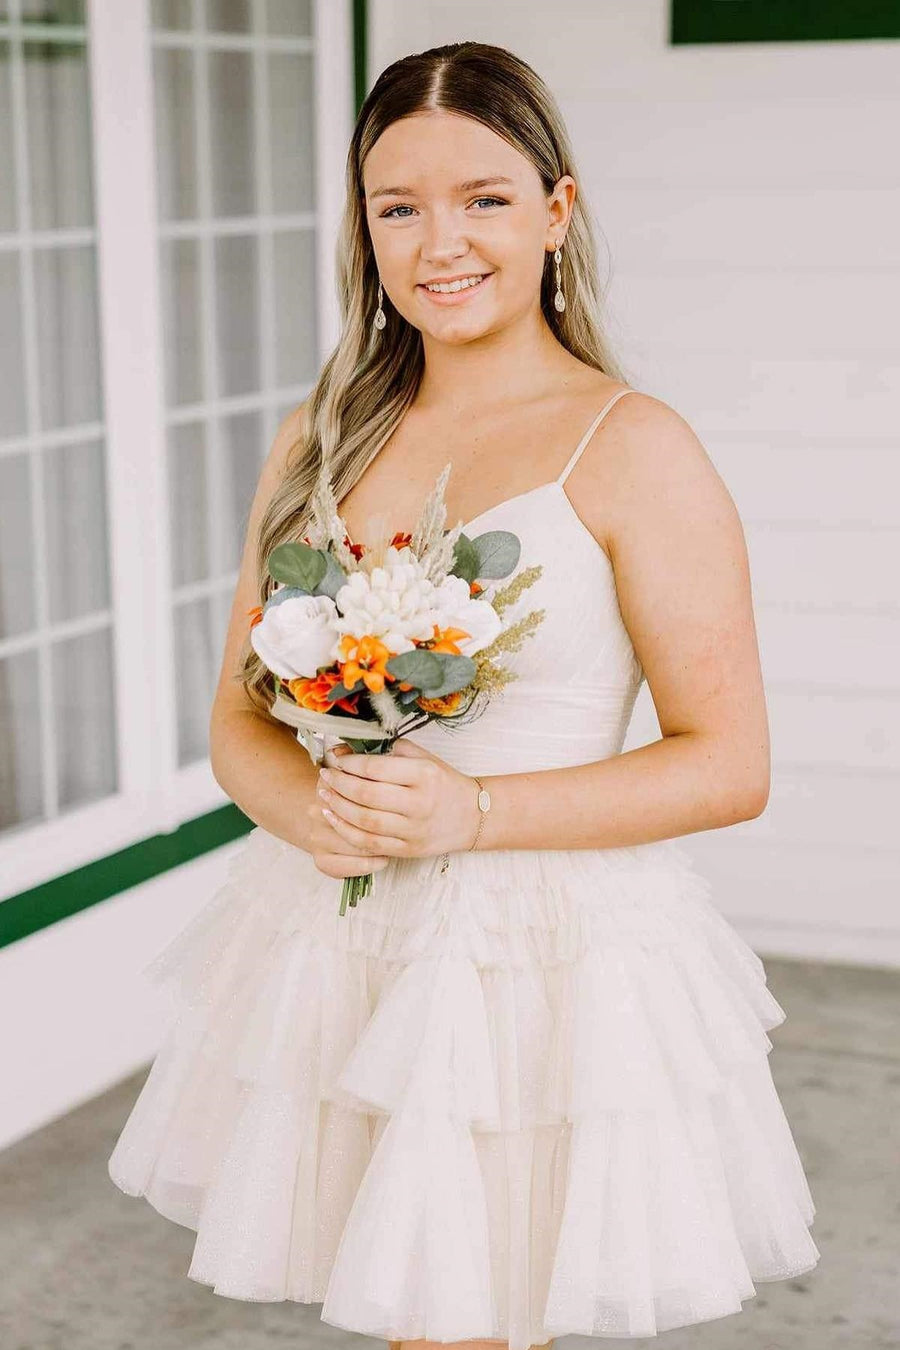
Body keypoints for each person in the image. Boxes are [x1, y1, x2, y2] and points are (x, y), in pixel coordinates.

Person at [107, 40, 819, 1350]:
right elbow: (239, 722)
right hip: (342, 939)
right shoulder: (324, 432)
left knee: (459, 1320)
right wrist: (310, 811)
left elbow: (729, 762)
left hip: (532, 961)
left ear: (557, 211)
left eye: (485, 198)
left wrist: (472, 810)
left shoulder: (635, 447)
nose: (442, 239)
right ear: (364, 228)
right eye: (399, 206)